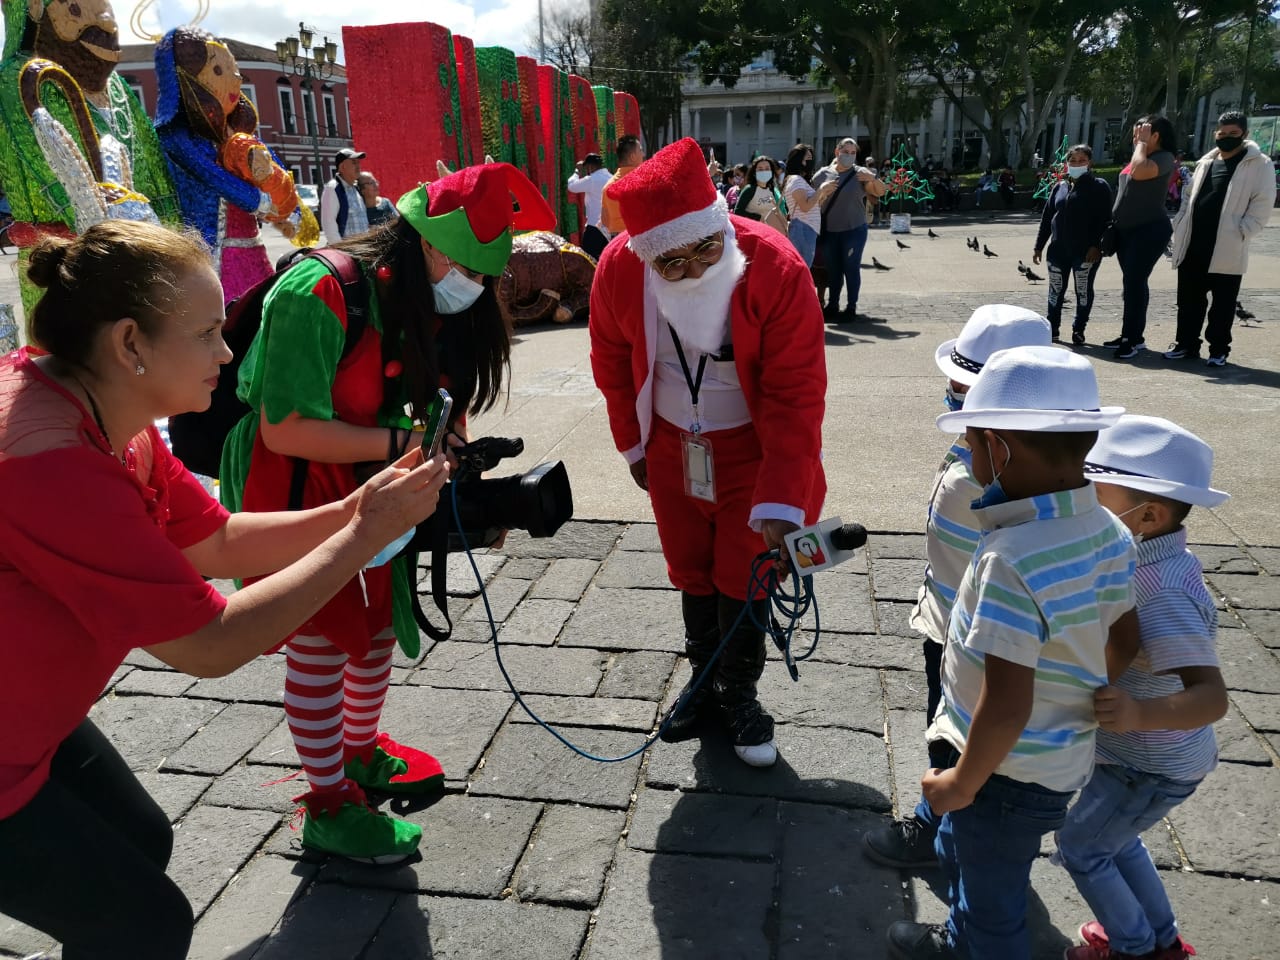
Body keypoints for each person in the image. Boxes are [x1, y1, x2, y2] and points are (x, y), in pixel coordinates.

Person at [0, 220, 449, 959]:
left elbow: (215, 539)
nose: (228, 352)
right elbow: (209, 646)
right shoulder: (50, 461)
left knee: (142, 841)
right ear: (129, 344)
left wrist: (352, 511)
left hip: (29, 723)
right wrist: (364, 537)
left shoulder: (112, 415)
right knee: (145, 924)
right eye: (208, 333)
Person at [222, 163, 556, 861]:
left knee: (375, 630)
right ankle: (327, 804)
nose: (472, 283)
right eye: (463, 264)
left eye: (484, 274)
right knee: (322, 641)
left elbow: (442, 391)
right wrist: (410, 444)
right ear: (424, 243)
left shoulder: (436, 296)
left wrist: (452, 459)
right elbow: (285, 425)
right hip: (300, 484)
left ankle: (361, 750)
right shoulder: (319, 290)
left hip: (384, 479)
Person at [882, 345, 1138, 960]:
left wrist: (958, 786)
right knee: (982, 864)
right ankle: (963, 927)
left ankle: (971, 945)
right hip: (1057, 762)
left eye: (971, 440)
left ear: (1000, 446)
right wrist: (1078, 688)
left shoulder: (1010, 558)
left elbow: (1006, 705)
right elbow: (1125, 638)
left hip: (999, 772)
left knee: (994, 906)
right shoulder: (1111, 529)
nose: (968, 455)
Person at [589, 137, 826, 768]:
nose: (692, 271)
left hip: (754, 447)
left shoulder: (775, 266)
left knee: (744, 571)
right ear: (646, 255)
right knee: (691, 568)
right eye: (671, 265)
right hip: (670, 443)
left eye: (705, 251)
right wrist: (633, 446)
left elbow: (797, 392)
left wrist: (782, 494)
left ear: (720, 225)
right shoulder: (618, 268)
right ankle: (705, 682)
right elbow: (611, 362)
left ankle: (739, 691)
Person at [862, 305, 1053, 873]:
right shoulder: (989, 452)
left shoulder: (1014, 477)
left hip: (973, 640)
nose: (951, 400)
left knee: (956, 738)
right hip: (946, 619)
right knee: (942, 724)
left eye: (963, 394)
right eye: (953, 389)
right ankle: (950, 823)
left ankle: (943, 831)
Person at [1054, 415, 1229, 960]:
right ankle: (1162, 940)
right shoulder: (1147, 556)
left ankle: (1133, 949)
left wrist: (1135, 713)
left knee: (1081, 847)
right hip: (1141, 760)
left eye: (1093, 495)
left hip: (1148, 764)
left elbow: (1212, 697)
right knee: (1116, 840)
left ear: (1147, 515)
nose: (1081, 504)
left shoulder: (1161, 590)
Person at [154, 27, 313, 305]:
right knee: (224, 317)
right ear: (182, 79)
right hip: (210, 254)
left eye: (234, 70)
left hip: (252, 247)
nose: (235, 79)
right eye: (218, 71)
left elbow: (272, 164)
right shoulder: (178, 138)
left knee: (259, 311)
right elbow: (215, 178)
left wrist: (293, 208)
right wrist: (264, 204)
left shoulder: (238, 134)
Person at [1164, 111, 1277, 367]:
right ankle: (1186, 344)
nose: (1226, 138)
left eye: (1233, 134)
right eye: (1222, 133)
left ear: (1244, 134)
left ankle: (1218, 350)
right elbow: (1187, 196)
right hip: (1194, 243)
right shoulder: (1206, 162)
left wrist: (1244, 229)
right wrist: (1180, 223)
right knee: (1188, 301)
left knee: (1223, 305)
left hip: (1228, 245)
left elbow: (1263, 202)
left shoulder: (1259, 164)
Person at [1105, 116, 1178, 361]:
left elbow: (1138, 171)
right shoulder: (1141, 156)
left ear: (1156, 136)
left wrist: (1141, 145)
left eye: (1142, 133)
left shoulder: (1163, 158)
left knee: (1135, 281)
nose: (1136, 137)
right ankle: (1133, 335)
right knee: (1132, 283)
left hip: (1148, 230)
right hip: (1125, 230)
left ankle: (1131, 339)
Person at [1032, 144, 1113, 344]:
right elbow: (1048, 217)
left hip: (1085, 252)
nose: (1076, 164)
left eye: (1081, 160)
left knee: (1083, 290)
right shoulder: (1060, 187)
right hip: (1058, 250)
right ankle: (1053, 329)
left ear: (1089, 162)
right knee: (1055, 290)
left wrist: (1097, 246)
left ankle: (1079, 329)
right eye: (1072, 161)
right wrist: (1039, 245)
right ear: (1067, 163)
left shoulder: (1099, 186)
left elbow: (1106, 219)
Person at [811, 137, 887, 323]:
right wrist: (821, 191)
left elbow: (881, 191)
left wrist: (872, 178)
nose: (849, 156)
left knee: (851, 268)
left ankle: (851, 306)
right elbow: (811, 200)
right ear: (837, 152)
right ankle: (833, 304)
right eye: (846, 152)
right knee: (833, 269)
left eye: (853, 153)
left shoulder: (860, 173)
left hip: (854, 230)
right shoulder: (822, 174)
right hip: (829, 230)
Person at [782, 143, 836, 267]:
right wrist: (821, 189)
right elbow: (805, 207)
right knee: (803, 269)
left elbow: (812, 205)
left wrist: (823, 194)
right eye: (807, 158)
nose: (810, 161)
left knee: (803, 269)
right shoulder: (796, 180)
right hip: (803, 228)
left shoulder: (798, 180)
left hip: (806, 228)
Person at [566, 151, 613, 259]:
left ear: (590, 167)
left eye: (586, 168)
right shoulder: (611, 177)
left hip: (594, 228)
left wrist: (577, 171)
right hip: (609, 229)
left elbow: (572, 186)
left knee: (589, 261)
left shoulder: (592, 179)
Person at [600, 134, 646, 237]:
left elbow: (605, 221)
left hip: (616, 240)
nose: (643, 154)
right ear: (632, 157)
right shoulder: (644, 183)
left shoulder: (608, 187)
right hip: (640, 239)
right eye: (640, 150)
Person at [321, 147, 369, 243]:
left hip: (362, 251)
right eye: (354, 163)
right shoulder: (333, 188)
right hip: (347, 253)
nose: (358, 166)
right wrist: (341, 252)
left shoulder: (356, 189)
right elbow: (329, 225)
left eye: (358, 162)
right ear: (342, 167)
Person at [734, 154, 789, 235]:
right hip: (753, 234)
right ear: (754, 172)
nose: (764, 171)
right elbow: (738, 212)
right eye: (760, 169)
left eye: (767, 169)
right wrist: (758, 217)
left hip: (771, 234)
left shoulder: (773, 190)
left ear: (772, 172)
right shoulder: (749, 189)